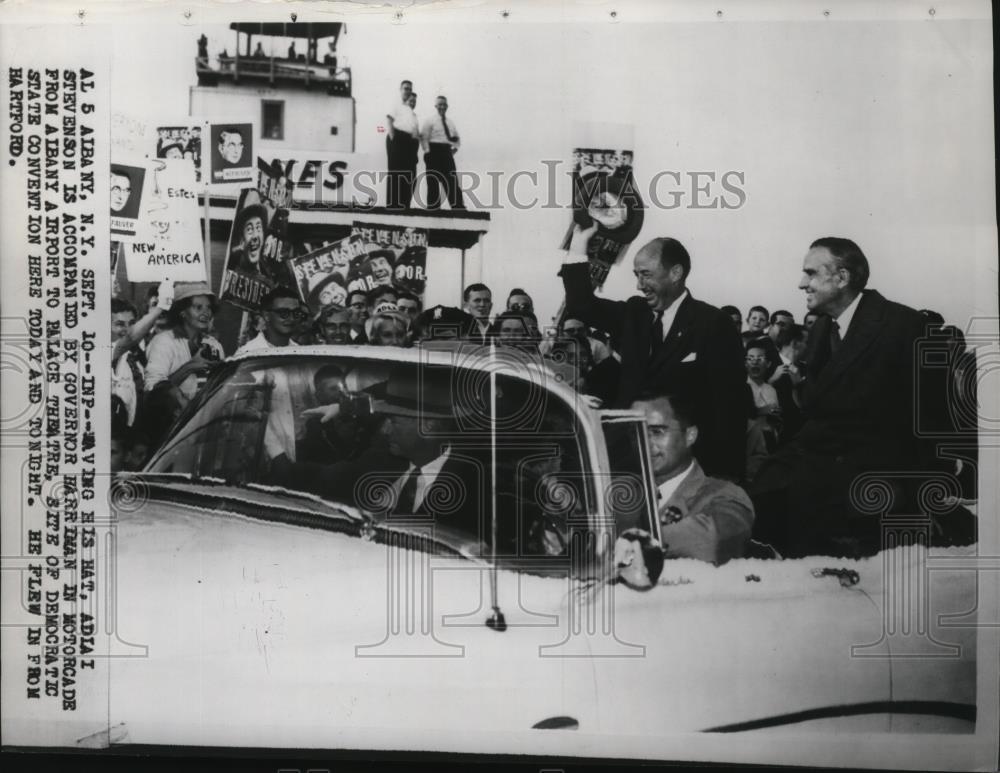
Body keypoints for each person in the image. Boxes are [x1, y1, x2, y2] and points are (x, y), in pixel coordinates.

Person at [750, 237, 948, 557]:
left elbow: (932, 422)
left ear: (842, 278)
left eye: (811, 273)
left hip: (872, 487)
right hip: (816, 471)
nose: (802, 283)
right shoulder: (821, 330)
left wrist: (923, 500)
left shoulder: (905, 326)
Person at [560, 223, 746, 480]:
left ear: (675, 273)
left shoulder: (713, 324)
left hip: (682, 465)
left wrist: (721, 480)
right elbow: (581, 305)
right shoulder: (634, 313)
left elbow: (728, 408)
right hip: (625, 458)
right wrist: (580, 242)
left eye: (645, 274)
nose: (639, 285)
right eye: (636, 275)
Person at [628, 393, 754, 564]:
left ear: (690, 435)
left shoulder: (725, 496)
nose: (644, 443)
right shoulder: (618, 492)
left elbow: (714, 541)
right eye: (636, 431)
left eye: (657, 432)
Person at [144, 282, 225, 446]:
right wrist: (190, 367)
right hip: (168, 435)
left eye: (208, 308)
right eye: (198, 307)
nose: (205, 313)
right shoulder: (164, 342)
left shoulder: (214, 345)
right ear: (182, 312)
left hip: (204, 432)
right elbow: (153, 392)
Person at [111, 282, 173, 428]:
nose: (127, 329)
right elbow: (130, 338)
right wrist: (162, 305)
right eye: (119, 324)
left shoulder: (138, 354)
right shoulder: (101, 351)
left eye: (132, 323)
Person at [420, 95, 465, 210]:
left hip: (446, 153)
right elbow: (424, 137)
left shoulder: (450, 123)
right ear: (435, 106)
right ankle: (434, 208)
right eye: (440, 104)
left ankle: (458, 208)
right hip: (433, 152)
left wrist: (451, 152)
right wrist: (428, 154)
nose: (442, 107)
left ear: (447, 106)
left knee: (452, 181)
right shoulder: (430, 120)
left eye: (444, 104)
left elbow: (457, 140)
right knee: (433, 182)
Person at [385, 80, 419, 209]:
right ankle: (393, 205)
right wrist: (394, 139)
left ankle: (405, 205)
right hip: (397, 139)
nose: (408, 91)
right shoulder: (396, 104)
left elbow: (414, 132)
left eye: (410, 89)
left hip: (410, 143)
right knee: (395, 173)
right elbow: (389, 120)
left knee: (410, 174)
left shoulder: (412, 112)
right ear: (400, 90)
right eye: (405, 88)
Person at [228, 204, 268, 275]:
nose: (255, 235)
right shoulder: (234, 271)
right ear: (241, 240)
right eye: (249, 229)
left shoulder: (266, 272)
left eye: (258, 228)